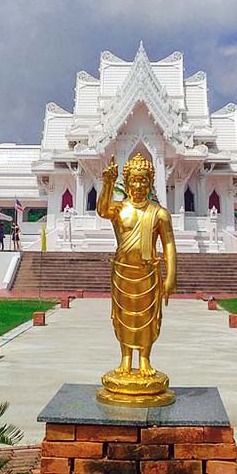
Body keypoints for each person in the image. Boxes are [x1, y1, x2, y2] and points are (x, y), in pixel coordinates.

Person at [96, 151, 177, 406]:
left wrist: (171, 276)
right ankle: (124, 360)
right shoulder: (120, 209)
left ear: (150, 182)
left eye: (143, 180)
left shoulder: (159, 213)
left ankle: (144, 359)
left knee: (146, 318)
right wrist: (108, 183)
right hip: (122, 272)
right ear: (128, 181)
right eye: (134, 180)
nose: (139, 185)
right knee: (123, 317)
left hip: (148, 272)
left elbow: (169, 244)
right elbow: (102, 210)